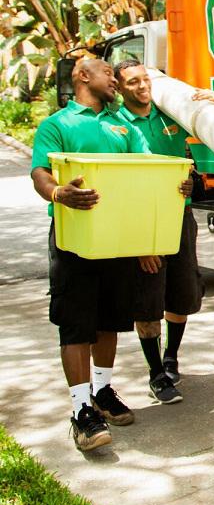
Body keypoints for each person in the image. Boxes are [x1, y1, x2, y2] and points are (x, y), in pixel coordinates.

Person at [30, 57, 150, 452]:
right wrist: (57, 192)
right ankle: (81, 410)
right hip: (74, 242)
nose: (114, 80)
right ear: (83, 75)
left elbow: (150, 169)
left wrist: (176, 186)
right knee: (76, 324)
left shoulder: (124, 126)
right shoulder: (57, 125)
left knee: (108, 321)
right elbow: (40, 172)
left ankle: (102, 391)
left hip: (116, 241)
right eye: (108, 73)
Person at [113, 59, 214, 403]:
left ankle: (171, 356)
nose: (142, 86)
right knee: (148, 299)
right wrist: (137, 240)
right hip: (142, 218)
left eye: (144, 79)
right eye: (132, 82)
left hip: (179, 215)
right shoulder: (115, 124)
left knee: (182, 292)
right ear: (119, 88)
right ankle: (156, 374)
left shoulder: (169, 114)